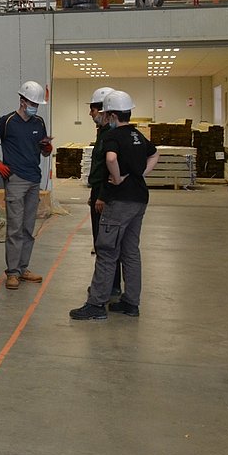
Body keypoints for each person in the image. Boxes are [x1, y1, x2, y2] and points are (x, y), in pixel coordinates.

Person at [71, 90, 159, 320]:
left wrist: (118, 178)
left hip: (119, 201)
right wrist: (140, 174)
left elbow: (110, 159)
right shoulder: (137, 136)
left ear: (110, 115)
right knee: (130, 252)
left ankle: (97, 305)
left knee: (107, 251)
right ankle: (131, 303)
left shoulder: (113, 136)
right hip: (139, 199)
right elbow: (154, 154)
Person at [0, 80, 53, 290]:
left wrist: (47, 147)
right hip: (15, 180)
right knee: (14, 228)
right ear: (22, 101)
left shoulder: (39, 122)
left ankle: (23, 268)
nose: (35, 107)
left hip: (34, 179)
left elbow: (44, 151)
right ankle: (12, 272)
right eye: (32, 103)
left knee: (28, 228)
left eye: (37, 104)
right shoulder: (7, 122)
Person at [86, 86, 123, 299]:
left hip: (104, 195)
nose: (90, 115)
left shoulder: (110, 135)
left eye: (92, 110)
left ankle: (107, 287)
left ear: (103, 110)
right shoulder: (104, 132)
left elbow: (107, 167)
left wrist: (101, 195)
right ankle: (111, 284)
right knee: (106, 243)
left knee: (104, 244)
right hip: (100, 193)